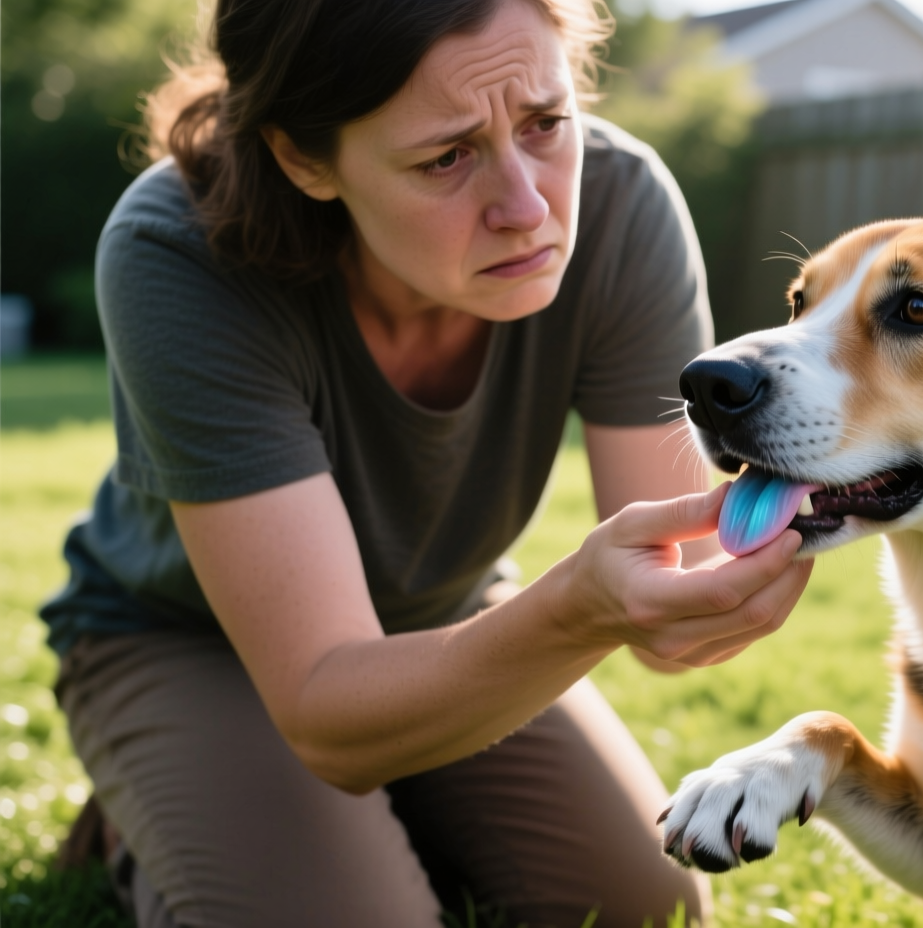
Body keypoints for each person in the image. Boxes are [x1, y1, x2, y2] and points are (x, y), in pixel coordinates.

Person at [39, 0, 815, 925]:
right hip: (182, 641)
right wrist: (578, 607)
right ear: (302, 157)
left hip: (446, 615)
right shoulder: (176, 245)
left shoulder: (621, 204)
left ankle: (359, 810)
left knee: (646, 910)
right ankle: (165, 804)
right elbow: (328, 703)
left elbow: (678, 585)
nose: (527, 208)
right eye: (445, 157)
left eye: (545, 123)